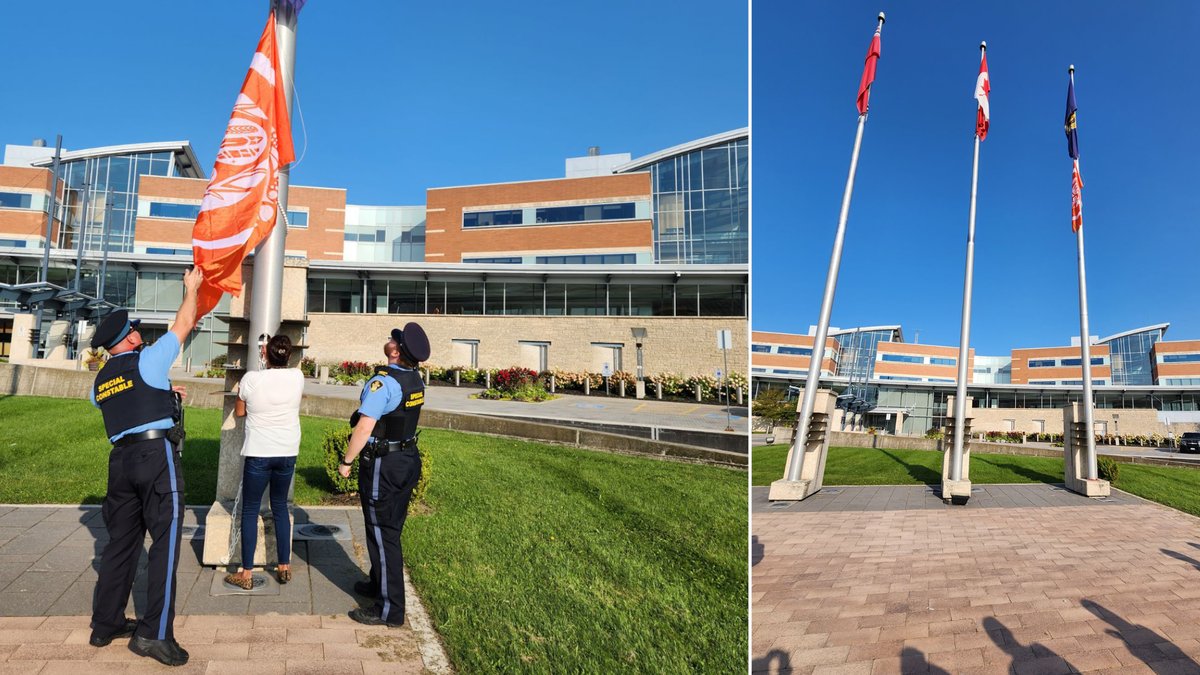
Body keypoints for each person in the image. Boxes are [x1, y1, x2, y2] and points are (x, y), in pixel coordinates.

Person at [88, 266, 204, 667]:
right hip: (156, 460)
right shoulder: (149, 359)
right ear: (132, 337)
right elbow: (185, 321)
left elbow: (116, 400)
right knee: (165, 547)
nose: (140, 333)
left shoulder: (100, 380)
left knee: (120, 546)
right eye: (136, 330)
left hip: (119, 463)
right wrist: (190, 288)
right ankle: (154, 636)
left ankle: (105, 624)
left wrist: (163, 389)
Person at [338, 322, 430, 627]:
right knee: (387, 528)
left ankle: (390, 609)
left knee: (383, 533)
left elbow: (365, 426)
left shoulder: (383, 382)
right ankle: (378, 583)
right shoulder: (413, 378)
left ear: (395, 350)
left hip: (384, 464)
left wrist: (347, 460)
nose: (390, 339)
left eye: (394, 339)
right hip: (406, 459)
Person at [224, 334, 305, 590]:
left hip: (259, 452)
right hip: (287, 452)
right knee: (280, 506)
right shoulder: (297, 377)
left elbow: (239, 412)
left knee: (250, 509)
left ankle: (246, 573)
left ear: (264, 354)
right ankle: (284, 566)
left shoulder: (251, 379)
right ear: (289, 356)